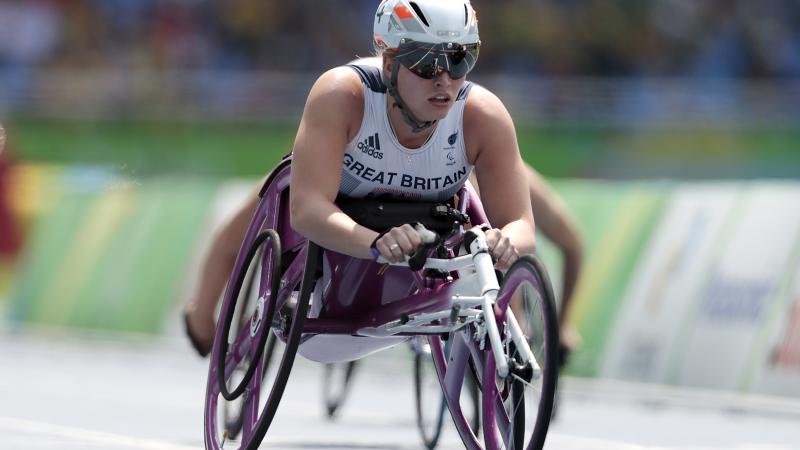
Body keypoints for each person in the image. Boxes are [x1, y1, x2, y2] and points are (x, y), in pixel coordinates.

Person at [184, 0, 582, 361]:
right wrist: (373, 244)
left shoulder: (484, 117)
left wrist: (505, 241)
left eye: (459, 60)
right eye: (426, 63)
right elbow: (305, 211)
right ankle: (200, 313)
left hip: (422, 239)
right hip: (341, 227)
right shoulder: (341, 95)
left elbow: (526, 226)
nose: (444, 79)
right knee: (271, 193)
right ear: (389, 64)